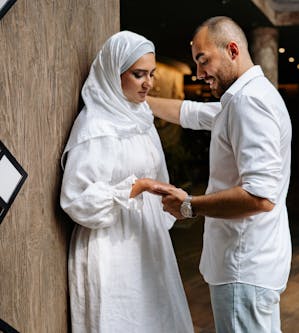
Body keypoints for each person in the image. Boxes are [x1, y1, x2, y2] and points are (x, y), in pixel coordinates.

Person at [147, 16, 292, 333]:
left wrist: (189, 205)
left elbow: (260, 196)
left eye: (203, 60)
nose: (198, 74)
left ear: (232, 50)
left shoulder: (248, 103)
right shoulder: (246, 98)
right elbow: (193, 113)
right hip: (255, 261)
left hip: (245, 267)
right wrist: (140, 101)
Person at [60, 31, 194, 333]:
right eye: (138, 74)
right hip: (110, 248)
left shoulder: (142, 121)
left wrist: (169, 198)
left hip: (148, 243)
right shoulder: (94, 126)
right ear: (112, 72)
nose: (149, 83)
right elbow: (76, 200)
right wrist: (138, 188)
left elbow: (158, 177)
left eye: (152, 74)